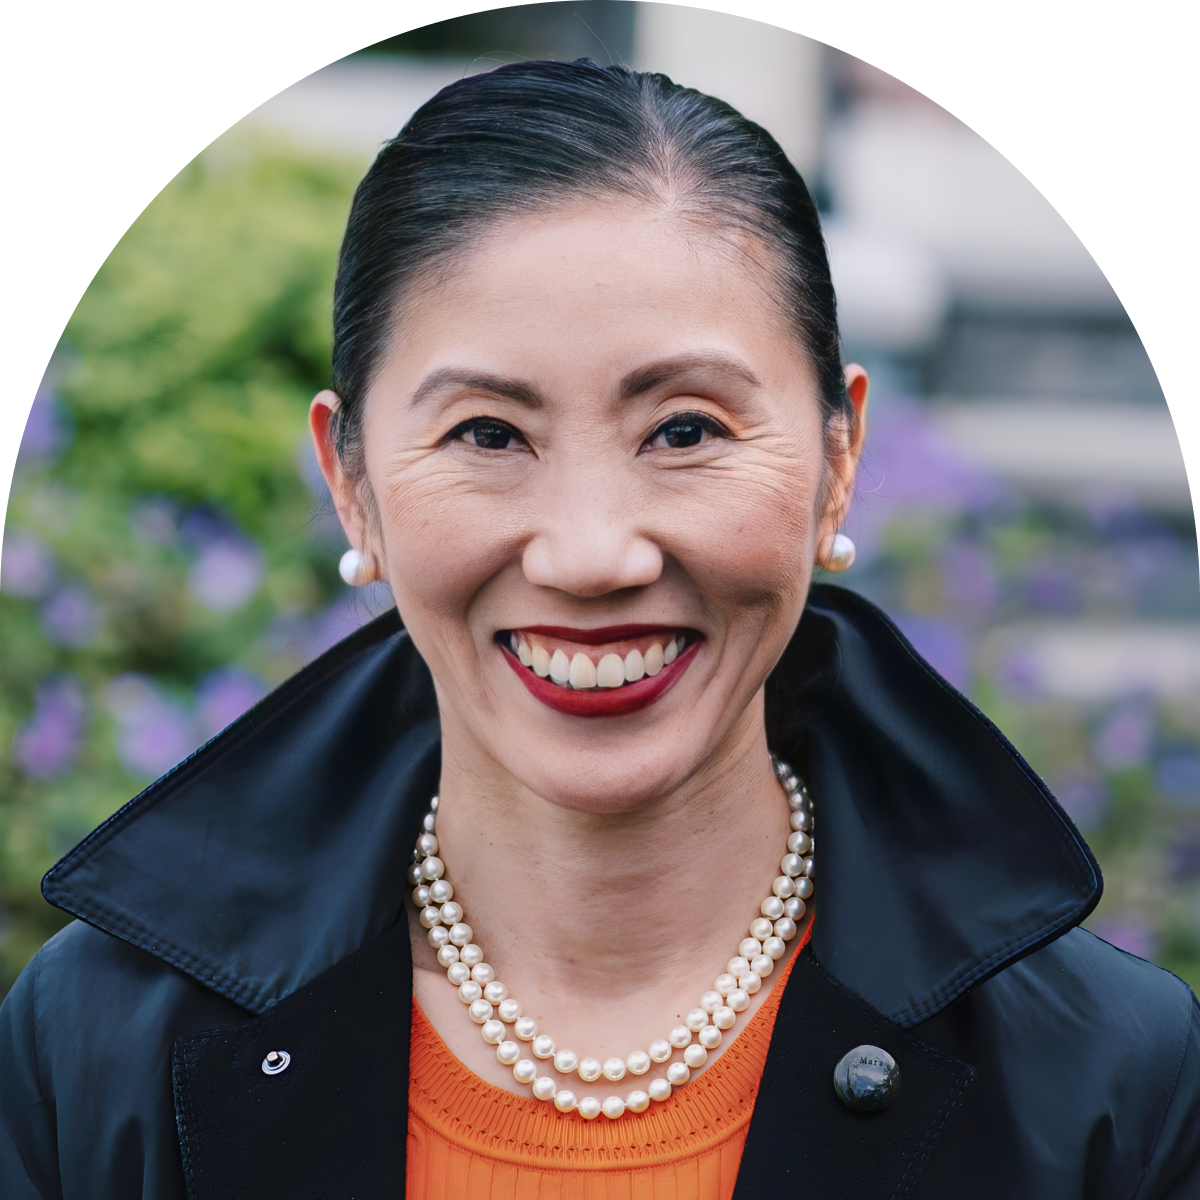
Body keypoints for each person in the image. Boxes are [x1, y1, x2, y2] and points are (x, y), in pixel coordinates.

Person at [1, 59, 1196, 1200]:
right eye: (487, 435)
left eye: (684, 431)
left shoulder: (1111, 1087)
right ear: (349, 481)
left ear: (840, 460)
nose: (590, 554)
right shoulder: (94, 1053)